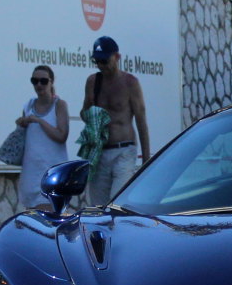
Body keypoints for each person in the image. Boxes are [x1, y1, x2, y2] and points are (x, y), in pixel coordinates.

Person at [80, 35, 150, 205]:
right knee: (98, 206)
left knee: (118, 203)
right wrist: (92, 113)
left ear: (117, 57)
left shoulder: (130, 83)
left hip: (124, 150)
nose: (101, 66)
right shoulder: (92, 82)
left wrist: (147, 159)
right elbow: (84, 113)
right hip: (100, 152)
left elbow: (141, 120)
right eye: (97, 61)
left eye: (105, 61)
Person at [16, 64, 69, 210]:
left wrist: (39, 120)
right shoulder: (28, 106)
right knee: (34, 224)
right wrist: (22, 123)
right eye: (35, 81)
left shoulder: (59, 105)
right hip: (31, 175)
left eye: (43, 81)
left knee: (48, 222)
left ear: (51, 82)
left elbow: (61, 135)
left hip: (52, 175)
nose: (39, 85)